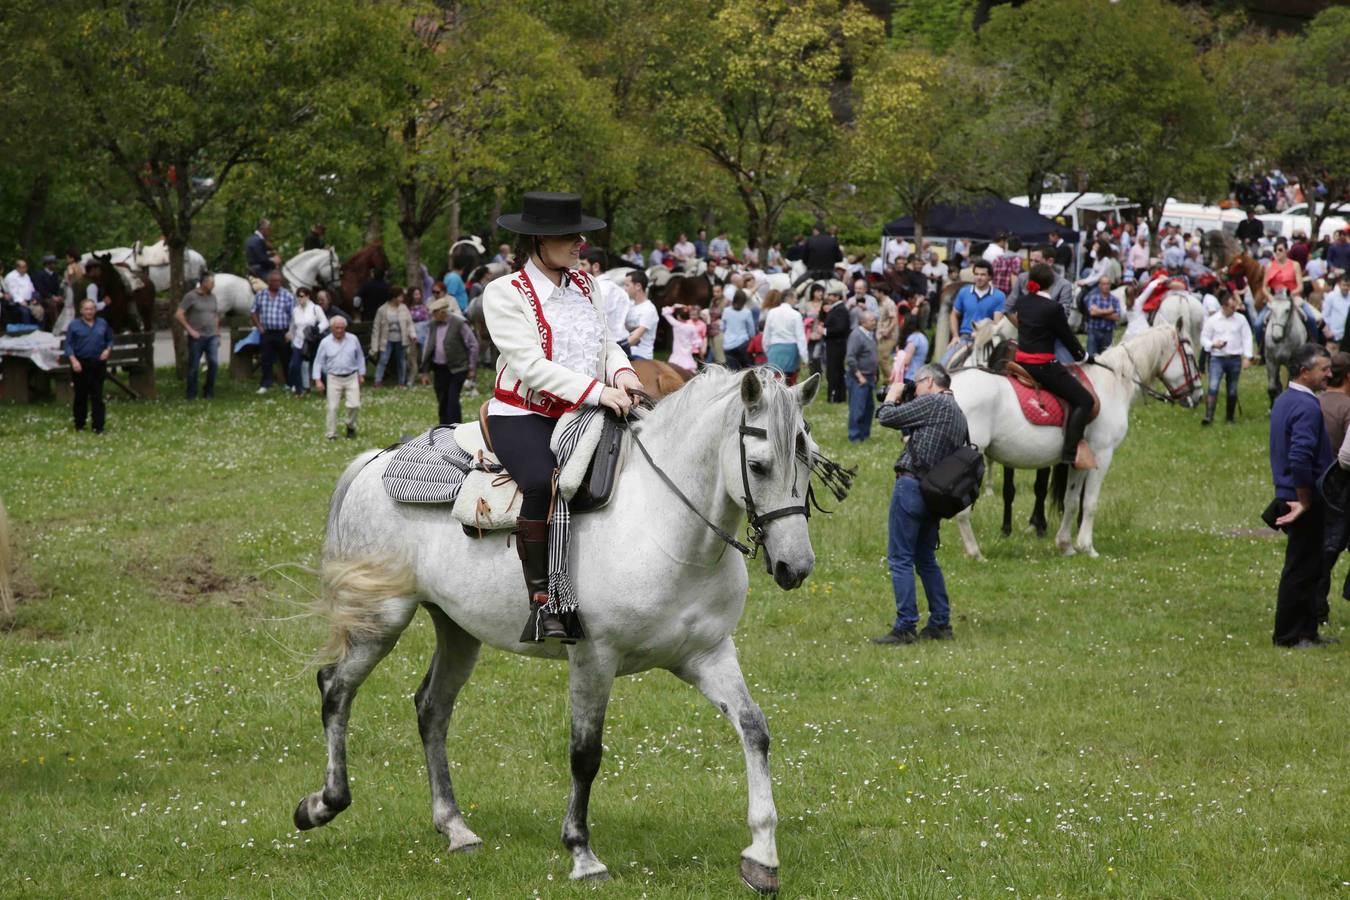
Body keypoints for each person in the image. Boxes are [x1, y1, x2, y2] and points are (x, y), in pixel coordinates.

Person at [484, 191, 641, 642]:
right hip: (522, 414)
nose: (579, 244)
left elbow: (605, 343)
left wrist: (624, 375)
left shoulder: (586, 285)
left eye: (579, 235)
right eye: (568, 236)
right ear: (537, 241)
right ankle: (543, 602)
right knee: (540, 481)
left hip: (586, 407)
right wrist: (598, 391)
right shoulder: (505, 293)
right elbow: (530, 366)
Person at [872, 363, 967, 645]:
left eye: (917, 384)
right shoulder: (957, 412)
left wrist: (894, 394)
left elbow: (886, 416)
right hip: (934, 493)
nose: (916, 389)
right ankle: (940, 623)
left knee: (900, 558)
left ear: (928, 382)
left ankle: (905, 626)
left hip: (911, 486)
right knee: (925, 559)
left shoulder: (936, 403)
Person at [1267, 344, 1333, 648]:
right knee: (1301, 568)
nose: (1329, 375)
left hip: (1289, 493)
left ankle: (1307, 631)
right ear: (1304, 372)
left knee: (1310, 565)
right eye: (1324, 369)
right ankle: (1289, 635)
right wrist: (1305, 499)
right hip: (1302, 499)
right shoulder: (1306, 406)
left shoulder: (1285, 400)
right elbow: (1300, 456)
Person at [1014, 263, 1093, 468]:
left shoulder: (1022, 302)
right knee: (1085, 400)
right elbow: (1066, 337)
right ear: (1051, 283)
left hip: (1020, 361)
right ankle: (1069, 453)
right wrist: (1083, 355)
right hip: (1042, 365)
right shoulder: (1053, 308)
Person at [419, 295, 479, 425]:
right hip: (439, 368)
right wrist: (425, 371)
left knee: (452, 400)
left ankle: (455, 428)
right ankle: (443, 427)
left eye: (435, 313)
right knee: (442, 400)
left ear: (443, 312)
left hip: (458, 368)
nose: (433, 316)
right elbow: (428, 347)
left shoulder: (459, 323)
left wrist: (471, 367)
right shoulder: (433, 325)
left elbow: (473, 345)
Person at [1200, 290, 1254, 425]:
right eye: (1231, 307)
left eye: (1234, 306)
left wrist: (1247, 356)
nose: (1234, 309)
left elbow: (1247, 337)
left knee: (1232, 389)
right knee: (1213, 386)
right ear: (1224, 306)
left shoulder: (1241, 319)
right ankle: (1209, 416)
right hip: (1217, 358)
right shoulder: (1212, 320)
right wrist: (1213, 344)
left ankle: (1230, 418)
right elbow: (1204, 338)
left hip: (1234, 358)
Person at [64, 298, 113, 433]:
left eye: (92, 308)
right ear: (81, 311)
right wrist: (73, 360)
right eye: (86, 309)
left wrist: (107, 350)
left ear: (95, 310)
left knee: (97, 395)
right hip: (81, 362)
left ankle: (98, 426)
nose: (89, 311)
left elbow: (109, 339)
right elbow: (68, 345)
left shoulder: (102, 323)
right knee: (81, 395)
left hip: (98, 363)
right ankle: (79, 424)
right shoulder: (74, 326)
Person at [313, 316, 366, 440]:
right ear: (332, 328)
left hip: (351, 375)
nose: (339, 330)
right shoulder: (325, 342)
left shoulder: (353, 339)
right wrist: (317, 380)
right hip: (333, 377)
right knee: (332, 407)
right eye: (337, 328)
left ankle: (350, 425)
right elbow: (318, 362)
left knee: (354, 405)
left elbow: (360, 357)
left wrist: (361, 374)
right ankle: (331, 434)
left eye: (342, 328)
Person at [942, 259, 1004, 365]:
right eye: (976, 274)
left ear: (990, 277)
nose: (979, 277)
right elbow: (954, 314)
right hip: (965, 337)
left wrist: (981, 333)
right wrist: (955, 336)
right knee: (944, 363)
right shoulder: (964, 292)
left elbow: (996, 323)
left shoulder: (999, 296)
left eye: (983, 275)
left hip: (987, 340)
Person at [176, 273, 220, 400]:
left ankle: (209, 391)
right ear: (204, 283)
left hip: (212, 335)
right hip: (197, 337)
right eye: (212, 283)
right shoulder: (191, 296)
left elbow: (215, 316)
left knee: (214, 363)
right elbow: (179, 314)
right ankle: (191, 393)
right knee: (194, 366)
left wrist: (217, 333)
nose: (213, 285)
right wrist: (190, 330)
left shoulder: (213, 297)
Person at [251, 269, 295, 394]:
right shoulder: (261, 295)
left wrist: (290, 331)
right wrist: (259, 326)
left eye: (279, 281)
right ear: (269, 282)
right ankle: (266, 383)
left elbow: (293, 315)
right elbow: (253, 311)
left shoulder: (287, 295)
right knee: (265, 358)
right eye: (274, 281)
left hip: (283, 331)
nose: (277, 283)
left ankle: (289, 383)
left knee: (286, 358)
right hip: (267, 332)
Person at [845, 311, 879, 442]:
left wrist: (875, 373)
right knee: (857, 408)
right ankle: (854, 436)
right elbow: (851, 358)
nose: (874, 322)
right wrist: (859, 376)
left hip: (870, 376)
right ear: (863, 322)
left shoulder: (871, 335)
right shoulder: (856, 335)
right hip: (859, 378)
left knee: (868, 407)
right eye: (872, 320)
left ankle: (865, 435)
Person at [288, 286, 328, 396]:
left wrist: (317, 329)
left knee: (317, 366)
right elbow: (293, 325)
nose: (299, 299)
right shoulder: (295, 310)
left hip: (311, 342)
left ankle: (328, 387)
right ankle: (299, 390)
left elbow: (325, 322)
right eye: (298, 297)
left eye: (302, 296)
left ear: (308, 296)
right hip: (298, 342)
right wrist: (290, 334)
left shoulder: (315, 308)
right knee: (294, 366)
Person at [372, 286, 414, 387]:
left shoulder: (404, 308)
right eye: (399, 297)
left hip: (401, 339)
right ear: (393, 297)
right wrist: (374, 346)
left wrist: (412, 334)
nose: (401, 299)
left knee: (401, 360)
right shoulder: (382, 310)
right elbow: (376, 328)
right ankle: (378, 381)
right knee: (383, 359)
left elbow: (410, 323)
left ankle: (401, 382)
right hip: (387, 339)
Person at [762, 289, 807, 383]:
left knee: (774, 379)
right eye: (795, 298)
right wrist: (805, 357)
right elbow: (800, 337)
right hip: (791, 348)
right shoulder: (796, 314)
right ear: (789, 298)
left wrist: (767, 349)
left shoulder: (772, 312)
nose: (796, 300)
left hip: (775, 347)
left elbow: (767, 334)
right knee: (790, 379)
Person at [822, 286, 852, 403]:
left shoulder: (840, 309)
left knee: (834, 371)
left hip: (837, 344)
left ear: (837, 297)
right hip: (834, 344)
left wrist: (825, 331)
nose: (829, 297)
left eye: (831, 295)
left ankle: (834, 396)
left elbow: (840, 328)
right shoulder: (837, 308)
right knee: (836, 370)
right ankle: (838, 396)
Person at [624, 270, 658, 360]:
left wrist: (616, 347)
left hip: (640, 356)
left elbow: (636, 337)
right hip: (627, 353)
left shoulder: (649, 309)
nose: (625, 289)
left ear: (638, 286)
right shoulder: (629, 305)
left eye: (627, 285)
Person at [1084, 276, 1122, 354]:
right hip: (1094, 331)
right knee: (1091, 356)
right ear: (1099, 285)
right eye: (1104, 284)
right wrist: (1109, 311)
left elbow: (1117, 317)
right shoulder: (1093, 298)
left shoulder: (1115, 300)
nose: (1106, 286)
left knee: (1106, 358)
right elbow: (1092, 313)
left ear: (1110, 285)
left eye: (1108, 284)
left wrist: (1098, 312)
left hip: (1107, 333)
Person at [721, 291, 756, 370]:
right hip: (742, 343)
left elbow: (722, 327)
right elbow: (752, 331)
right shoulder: (747, 312)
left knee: (731, 370)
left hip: (728, 344)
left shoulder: (726, 311)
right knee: (747, 369)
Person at [662, 305, 700, 374]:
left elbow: (665, 312)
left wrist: (674, 306)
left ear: (678, 316)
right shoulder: (692, 327)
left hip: (676, 358)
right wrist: (692, 347)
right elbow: (698, 342)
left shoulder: (676, 324)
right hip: (688, 357)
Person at [1323, 273, 1350, 352]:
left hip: (1347, 337)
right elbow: (1325, 315)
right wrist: (1327, 330)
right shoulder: (1331, 296)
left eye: (1348, 285)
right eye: (1344, 285)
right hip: (1333, 335)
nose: (1346, 287)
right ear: (1339, 285)